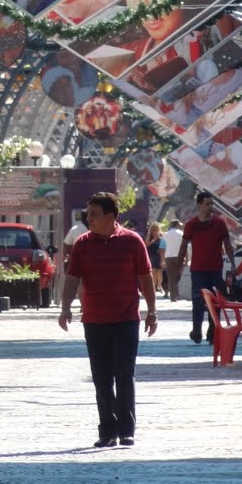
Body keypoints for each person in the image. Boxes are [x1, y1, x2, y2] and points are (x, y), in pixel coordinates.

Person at [59, 192, 157, 448]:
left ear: (111, 217)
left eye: (93, 214)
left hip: (126, 319)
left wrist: (152, 311)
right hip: (94, 320)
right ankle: (107, 431)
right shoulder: (82, 243)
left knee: (124, 374)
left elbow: (145, 278)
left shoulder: (133, 241)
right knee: (102, 378)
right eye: (87, 214)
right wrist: (65, 307)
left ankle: (126, 429)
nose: (88, 219)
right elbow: (71, 279)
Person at [180, 192, 235, 345]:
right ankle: (196, 330)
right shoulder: (191, 225)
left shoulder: (219, 224)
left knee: (215, 302)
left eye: (212, 203)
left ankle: (213, 332)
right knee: (197, 301)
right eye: (207, 204)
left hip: (215, 269)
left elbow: (228, 244)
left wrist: (233, 264)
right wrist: (179, 266)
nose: (211, 207)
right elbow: (183, 246)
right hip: (198, 270)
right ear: (199, 205)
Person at [163, 219, 185, 302]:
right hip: (179, 256)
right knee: (178, 276)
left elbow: (163, 247)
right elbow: (184, 246)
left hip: (168, 256)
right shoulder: (182, 234)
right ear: (177, 225)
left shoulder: (165, 235)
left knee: (171, 277)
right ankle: (177, 294)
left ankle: (173, 296)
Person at [144, 222, 167, 298]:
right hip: (152, 255)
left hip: (159, 255)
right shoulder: (149, 236)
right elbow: (146, 245)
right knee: (153, 271)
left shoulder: (161, 236)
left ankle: (159, 285)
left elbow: (164, 245)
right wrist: (152, 241)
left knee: (159, 271)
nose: (154, 231)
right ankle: (153, 287)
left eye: (156, 229)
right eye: (153, 229)